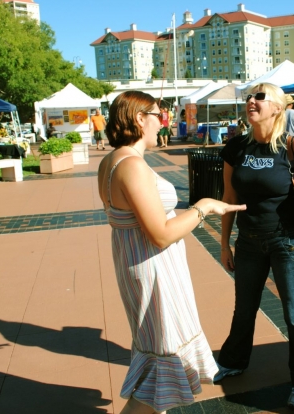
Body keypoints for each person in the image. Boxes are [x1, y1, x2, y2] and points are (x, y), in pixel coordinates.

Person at [97, 91, 245, 414]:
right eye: (158, 114)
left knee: (157, 360)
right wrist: (203, 208)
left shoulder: (111, 162)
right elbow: (160, 235)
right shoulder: (130, 165)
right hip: (154, 271)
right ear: (139, 119)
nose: (163, 121)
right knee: (161, 364)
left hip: (140, 264)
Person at [215, 83, 294, 410]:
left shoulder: (293, 146)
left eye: (260, 97)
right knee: (244, 308)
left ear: (277, 108)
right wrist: (225, 243)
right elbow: (229, 199)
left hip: (289, 242)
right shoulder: (235, 148)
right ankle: (233, 360)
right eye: (249, 97)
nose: (251, 102)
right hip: (249, 242)